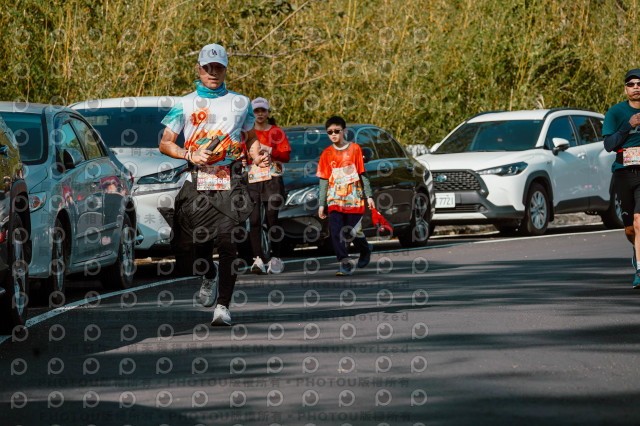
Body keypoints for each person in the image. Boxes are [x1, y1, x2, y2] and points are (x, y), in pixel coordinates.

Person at [159, 43, 267, 326]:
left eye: (218, 67)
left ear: (226, 69)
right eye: (208, 67)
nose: (213, 72)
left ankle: (223, 307)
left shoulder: (240, 102)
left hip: (231, 178)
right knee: (195, 245)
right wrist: (189, 154)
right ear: (198, 68)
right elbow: (165, 143)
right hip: (197, 179)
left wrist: (257, 154)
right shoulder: (185, 103)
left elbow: (250, 138)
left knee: (228, 241)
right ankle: (209, 274)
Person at [316, 116, 374, 276]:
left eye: (337, 131)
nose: (333, 134)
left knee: (353, 231)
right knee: (336, 231)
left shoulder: (355, 149)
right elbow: (323, 180)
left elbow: (362, 173)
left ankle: (365, 249)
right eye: (330, 132)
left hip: (354, 198)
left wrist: (369, 195)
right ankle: (344, 262)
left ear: (344, 131)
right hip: (335, 200)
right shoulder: (326, 154)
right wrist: (322, 204)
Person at [603, 68, 640, 288]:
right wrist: (629, 125)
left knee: (639, 220)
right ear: (626, 88)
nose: (636, 87)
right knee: (630, 228)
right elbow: (609, 145)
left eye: (639, 83)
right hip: (623, 173)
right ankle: (637, 251)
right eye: (631, 84)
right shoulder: (616, 112)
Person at [245, 97, 291, 274]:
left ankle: (276, 258)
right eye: (256, 111)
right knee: (254, 220)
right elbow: (241, 153)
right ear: (252, 114)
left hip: (272, 179)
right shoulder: (247, 133)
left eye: (263, 111)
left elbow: (286, 157)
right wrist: (243, 160)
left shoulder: (276, 132)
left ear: (268, 112)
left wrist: (270, 150)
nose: (260, 114)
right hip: (253, 179)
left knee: (272, 219)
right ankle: (257, 259)